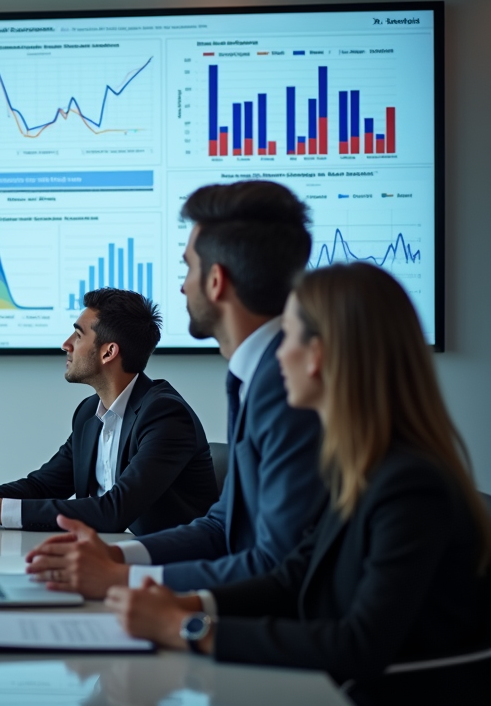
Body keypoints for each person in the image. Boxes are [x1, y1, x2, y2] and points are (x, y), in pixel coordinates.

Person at [104, 263, 491, 706]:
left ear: (319, 355)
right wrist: (189, 605)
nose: (277, 356)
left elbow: (359, 644)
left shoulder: (410, 484)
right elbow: (292, 577)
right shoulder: (356, 467)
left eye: (286, 337)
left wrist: (187, 629)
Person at [26, 181, 325, 595]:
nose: (183, 286)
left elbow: (276, 562)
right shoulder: (254, 376)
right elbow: (222, 526)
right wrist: (117, 559)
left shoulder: (288, 387)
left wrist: (126, 579)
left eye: (188, 268)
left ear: (216, 281)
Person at [0, 289, 217, 534]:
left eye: (77, 335)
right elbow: (43, 485)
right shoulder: (89, 413)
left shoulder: (164, 414)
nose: (65, 345)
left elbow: (115, 511)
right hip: (108, 560)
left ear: (108, 351)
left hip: (170, 573)